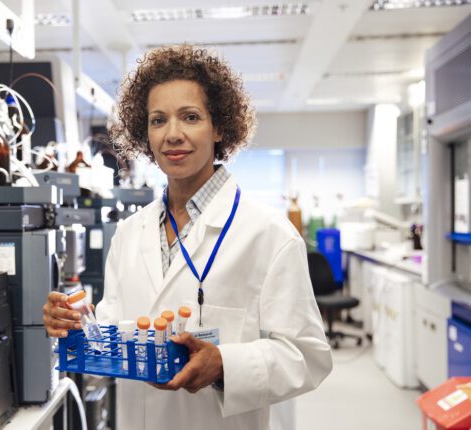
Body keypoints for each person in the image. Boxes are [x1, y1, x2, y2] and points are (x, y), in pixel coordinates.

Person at [43, 44, 332, 429]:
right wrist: (80, 322)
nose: (172, 134)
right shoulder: (129, 234)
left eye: (190, 117)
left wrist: (224, 364)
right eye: (158, 120)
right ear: (145, 133)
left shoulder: (269, 234)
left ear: (220, 128)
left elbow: (307, 356)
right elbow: (118, 330)